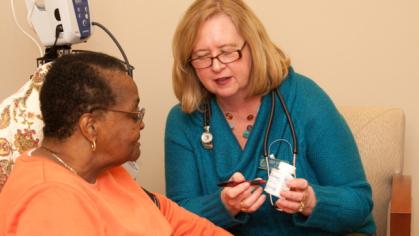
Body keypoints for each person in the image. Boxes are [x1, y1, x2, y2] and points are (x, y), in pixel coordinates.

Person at [164, 0, 376, 235]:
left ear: (253, 47)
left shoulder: (304, 98)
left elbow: (359, 202)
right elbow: (176, 216)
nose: (216, 66)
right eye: (202, 56)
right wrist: (223, 206)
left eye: (227, 52)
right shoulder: (183, 120)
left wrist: (312, 201)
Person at [0, 52, 231, 236]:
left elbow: (182, 224)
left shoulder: (105, 171)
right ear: (90, 126)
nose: (141, 124)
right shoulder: (50, 201)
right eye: (133, 114)